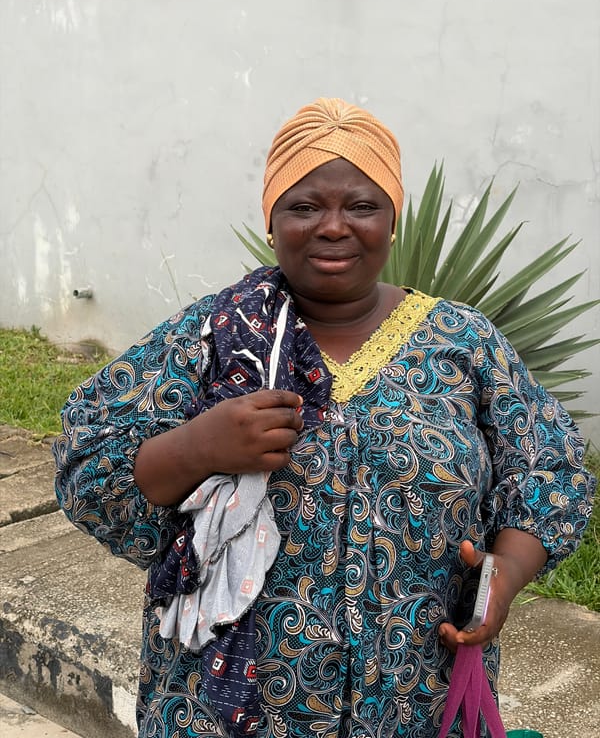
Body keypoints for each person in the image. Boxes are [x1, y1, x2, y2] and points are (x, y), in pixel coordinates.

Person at [54, 97, 596, 738]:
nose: (333, 227)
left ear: (392, 219)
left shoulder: (463, 341)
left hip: (417, 698)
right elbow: (87, 462)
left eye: (361, 206)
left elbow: (549, 467)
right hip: (226, 709)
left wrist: (503, 577)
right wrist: (198, 447)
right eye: (304, 206)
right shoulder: (216, 335)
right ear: (272, 219)